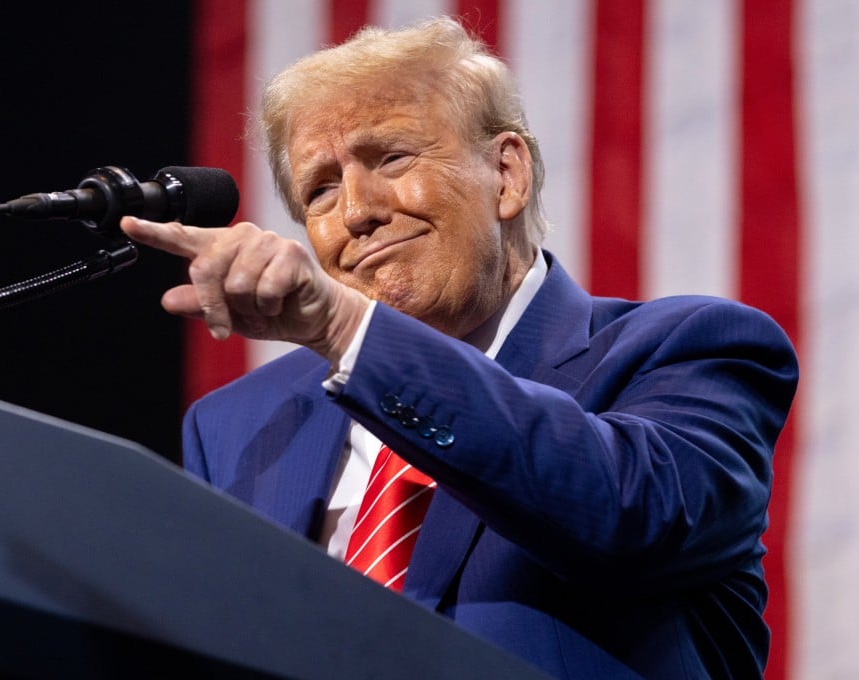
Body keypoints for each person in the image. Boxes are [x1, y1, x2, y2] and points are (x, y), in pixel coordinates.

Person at [119, 15, 798, 680]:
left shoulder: (692, 351)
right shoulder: (236, 424)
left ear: (507, 175)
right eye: (320, 190)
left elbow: (631, 513)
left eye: (391, 157)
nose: (356, 211)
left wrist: (349, 334)